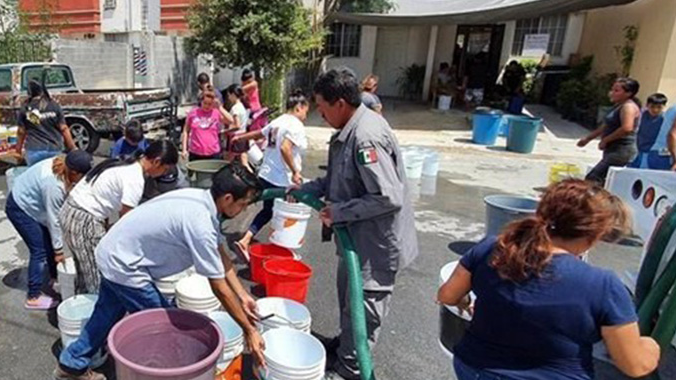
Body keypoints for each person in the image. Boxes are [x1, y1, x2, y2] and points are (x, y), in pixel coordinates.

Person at [54, 163, 266, 380]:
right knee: (165, 326)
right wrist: (250, 330)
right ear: (228, 198)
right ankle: (163, 372)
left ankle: (71, 364)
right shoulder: (200, 223)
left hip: (115, 252)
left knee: (106, 314)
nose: (244, 209)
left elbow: (220, 253)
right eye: (243, 204)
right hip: (125, 265)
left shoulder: (198, 197)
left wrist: (243, 296)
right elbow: (219, 287)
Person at [438, 179, 660, 380]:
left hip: (474, 369)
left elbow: (447, 295)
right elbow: (635, 366)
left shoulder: (492, 247)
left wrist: (465, 302)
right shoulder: (602, 285)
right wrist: (651, 346)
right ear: (594, 235)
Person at [298, 68, 418, 380]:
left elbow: (388, 196)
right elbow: (341, 179)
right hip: (356, 242)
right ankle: (346, 348)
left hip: (375, 246)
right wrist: (305, 189)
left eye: (321, 107)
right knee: (349, 304)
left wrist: (338, 212)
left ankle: (350, 368)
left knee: (363, 310)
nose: (319, 114)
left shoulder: (366, 137)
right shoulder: (350, 128)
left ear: (339, 103)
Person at [60, 141, 178, 294]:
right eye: (165, 169)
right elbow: (127, 222)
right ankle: (95, 314)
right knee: (98, 277)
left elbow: (103, 196)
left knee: (84, 271)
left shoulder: (123, 162)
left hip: (70, 211)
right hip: (84, 220)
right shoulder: (135, 179)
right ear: (156, 162)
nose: (164, 174)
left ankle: (82, 308)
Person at [6, 151, 93, 309]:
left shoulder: (62, 164)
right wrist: (59, 251)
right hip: (20, 207)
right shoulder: (54, 186)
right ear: (74, 172)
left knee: (49, 244)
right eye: (82, 177)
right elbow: (54, 221)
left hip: (33, 202)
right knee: (39, 250)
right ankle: (33, 296)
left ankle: (54, 278)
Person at [233, 90, 310, 260]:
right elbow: (285, 148)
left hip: (266, 174)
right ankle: (283, 251)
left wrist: (241, 137)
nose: (306, 115)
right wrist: (296, 171)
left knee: (268, 211)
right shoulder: (296, 125)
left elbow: (260, 133)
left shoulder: (278, 121)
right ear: (300, 107)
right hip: (282, 180)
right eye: (306, 110)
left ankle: (245, 240)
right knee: (287, 216)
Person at [579, 78, 640, 185]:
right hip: (613, 149)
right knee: (603, 180)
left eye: (616, 91)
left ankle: (590, 200)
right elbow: (606, 125)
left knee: (593, 178)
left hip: (622, 150)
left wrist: (606, 140)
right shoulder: (619, 106)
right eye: (612, 89)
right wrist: (588, 138)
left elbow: (627, 128)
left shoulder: (628, 107)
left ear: (628, 93)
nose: (611, 93)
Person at [16, 80, 77, 166]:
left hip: (34, 150)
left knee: (35, 177)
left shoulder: (26, 108)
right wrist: (72, 148)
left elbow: (21, 132)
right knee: (53, 177)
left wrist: (18, 151)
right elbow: (64, 129)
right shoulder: (54, 105)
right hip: (54, 149)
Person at [181, 90, 228, 161]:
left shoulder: (216, 113)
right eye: (205, 103)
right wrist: (184, 149)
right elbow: (186, 131)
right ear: (201, 102)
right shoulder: (193, 113)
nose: (207, 106)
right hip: (196, 152)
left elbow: (230, 121)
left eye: (210, 104)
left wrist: (220, 107)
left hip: (213, 153)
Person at [629, 94, 670, 170]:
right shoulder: (641, 115)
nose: (655, 110)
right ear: (647, 105)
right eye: (652, 107)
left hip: (654, 152)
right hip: (638, 149)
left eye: (659, 107)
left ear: (664, 107)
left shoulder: (665, 119)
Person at [224, 84, 251, 166]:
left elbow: (237, 125)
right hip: (244, 135)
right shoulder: (242, 106)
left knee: (228, 162)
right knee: (244, 162)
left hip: (235, 137)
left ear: (233, 94)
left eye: (229, 95)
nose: (228, 98)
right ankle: (251, 177)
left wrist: (224, 131)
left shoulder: (235, 108)